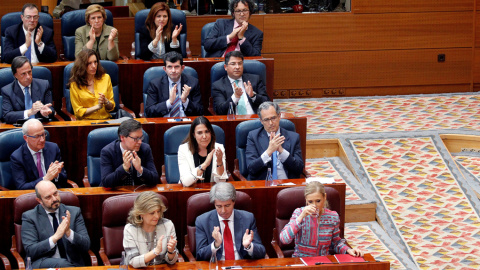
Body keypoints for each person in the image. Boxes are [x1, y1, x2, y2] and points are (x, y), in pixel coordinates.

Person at [280, 182, 364, 257]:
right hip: (301, 261)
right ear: (306, 199)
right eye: (310, 201)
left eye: (318, 201)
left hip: (323, 262)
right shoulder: (299, 213)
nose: (314, 205)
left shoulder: (333, 216)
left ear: (325, 197)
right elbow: (284, 239)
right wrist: (300, 218)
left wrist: (348, 250)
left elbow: (336, 243)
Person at [21, 180, 91, 268]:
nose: (54, 199)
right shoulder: (30, 217)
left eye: (55, 194)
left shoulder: (73, 212)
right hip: (44, 263)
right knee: (62, 264)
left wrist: (69, 233)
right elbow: (30, 250)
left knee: (65, 264)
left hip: (72, 263)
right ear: (39, 200)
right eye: (48, 197)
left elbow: (86, 245)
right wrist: (55, 238)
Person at [195, 182, 266, 261]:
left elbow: (261, 252)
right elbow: (199, 255)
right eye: (219, 206)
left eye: (227, 205)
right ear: (214, 204)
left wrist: (248, 246)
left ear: (234, 202)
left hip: (241, 266)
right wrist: (215, 245)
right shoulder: (202, 221)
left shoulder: (248, 218)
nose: (223, 211)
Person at [245, 101, 304, 180]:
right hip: (263, 186)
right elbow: (251, 169)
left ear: (279, 116)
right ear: (261, 121)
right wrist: (268, 152)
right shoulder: (253, 137)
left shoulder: (293, 137)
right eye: (266, 120)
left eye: (273, 118)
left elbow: (299, 169)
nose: (271, 123)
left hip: (287, 184)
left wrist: (282, 152)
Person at [123, 191, 179, 268]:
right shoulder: (130, 229)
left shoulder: (168, 225)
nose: (157, 216)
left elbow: (172, 260)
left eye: (158, 211)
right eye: (152, 213)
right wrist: (155, 251)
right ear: (141, 213)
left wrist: (171, 251)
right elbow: (133, 261)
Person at [100, 119, 159, 188]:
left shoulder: (145, 149)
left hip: (138, 193)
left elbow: (155, 179)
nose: (140, 142)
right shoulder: (107, 152)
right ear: (122, 137)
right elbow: (106, 182)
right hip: (115, 194)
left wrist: (140, 169)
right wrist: (124, 168)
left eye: (141, 137)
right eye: (136, 138)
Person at [11, 119, 67, 190]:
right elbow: (21, 187)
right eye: (37, 136)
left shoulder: (53, 148)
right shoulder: (17, 157)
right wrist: (45, 178)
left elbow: (64, 179)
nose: (42, 139)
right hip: (32, 196)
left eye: (43, 134)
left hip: (53, 192)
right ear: (26, 138)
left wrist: (56, 175)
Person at [145, 51, 203, 118]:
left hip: (186, 123)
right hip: (164, 123)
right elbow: (149, 111)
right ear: (165, 69)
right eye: (169, 67)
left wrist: (185, 101)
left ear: (182, 68)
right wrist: (169, 103)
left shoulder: (193, 83)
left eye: (176, 67)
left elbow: (200, 111)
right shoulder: (155, 84)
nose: (173, 71)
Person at [212, 51, 269, 115]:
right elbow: (220, 110)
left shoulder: (255, 79)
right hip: (233, 122)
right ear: (226, 67)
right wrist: (235, 97)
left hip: (254, 119)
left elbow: (267, 103)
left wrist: (253, 96)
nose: (237, 67)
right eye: (233, 64)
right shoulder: (218, 85)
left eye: (240, 63)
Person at [1, 56, 54, 124]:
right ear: (15, 75)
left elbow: (51, 109)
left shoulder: (44, 85)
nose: (28, 77)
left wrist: (46, 113)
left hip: (40, 126)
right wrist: (30, 112)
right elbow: (7, 116)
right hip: (19, 128)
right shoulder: (7, 91)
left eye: (29, 72)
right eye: (23, 74)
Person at [178, 116, 228, 187]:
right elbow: (186, 182)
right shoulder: (183, 149)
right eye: (199, 133)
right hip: (189, 190)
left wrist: (220, 163)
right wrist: (205, 164)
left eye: (207, 131)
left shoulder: (219, 148)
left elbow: (221, 182)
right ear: (194, 135)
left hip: (211, 192)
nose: (204, 136)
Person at [68, 49, 115, 120]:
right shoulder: (75, 84)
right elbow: (78, 112)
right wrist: (97, 107)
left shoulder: (105, 78)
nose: (94, 66)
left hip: (105, 121)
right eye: (89, 63)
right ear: (82, 65)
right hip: (86, 124)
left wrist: (106, 101)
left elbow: (111, 107)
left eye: (95, 62)